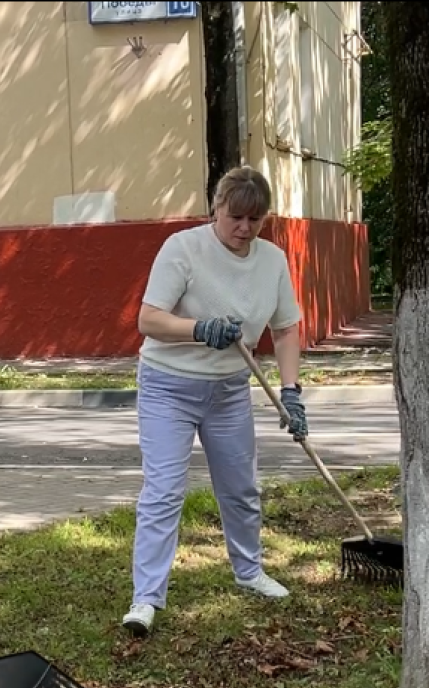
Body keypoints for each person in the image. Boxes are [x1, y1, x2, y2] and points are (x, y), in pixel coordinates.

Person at [120, 165, 304, 637]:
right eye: (235, 217)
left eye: (255, 219)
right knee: (164, 492)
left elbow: (285, 329)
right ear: (215, 208)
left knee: (241, 489)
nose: (244, 229)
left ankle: (249, 572)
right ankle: (146, 598)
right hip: (168, 385)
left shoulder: (272, 261)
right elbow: (149, 320)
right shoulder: (183, 249)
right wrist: (199, 329)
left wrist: (291, 390)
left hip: (228, 391)